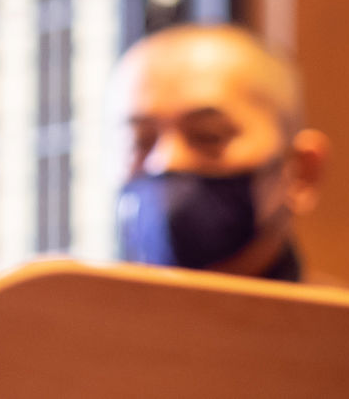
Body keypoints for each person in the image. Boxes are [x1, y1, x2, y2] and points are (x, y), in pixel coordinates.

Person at [112, 23, 332, 282]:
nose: (166, 161)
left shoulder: (346, 322)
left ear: (302, 171)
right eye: (140, 141)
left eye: (209, 136)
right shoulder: (70, 315)